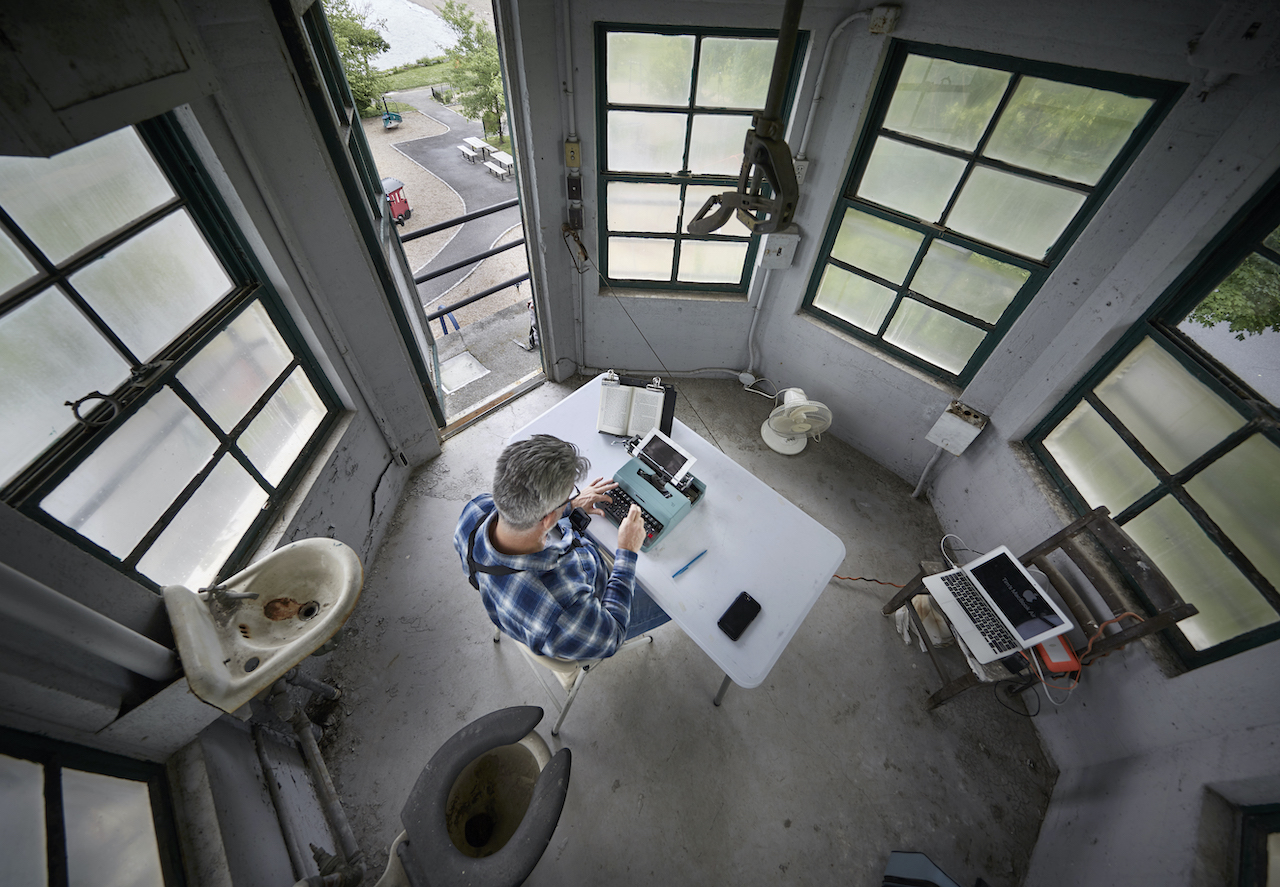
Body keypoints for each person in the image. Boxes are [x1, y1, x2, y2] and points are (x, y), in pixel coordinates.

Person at [454, 434, 671, 661]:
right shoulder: (562, 609)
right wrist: (626, 552)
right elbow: (612, 636)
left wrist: (570, 507)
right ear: (547, 520)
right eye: (568, 496)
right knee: (676, 599)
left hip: (524, 606)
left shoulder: (475, 511)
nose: (571, 497)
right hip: (589, 616)